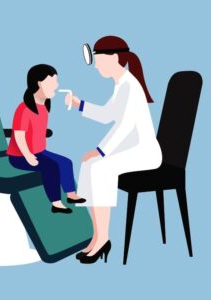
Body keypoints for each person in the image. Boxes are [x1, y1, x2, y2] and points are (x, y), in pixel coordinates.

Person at [64, 36, 162, 263]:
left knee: (100, 167)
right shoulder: (121, 85)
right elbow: (108, 114)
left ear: (114, 58)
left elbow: (125, 126)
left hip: (145, 153)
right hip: (131, 149)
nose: (95, 65)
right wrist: (79, 104)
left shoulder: (129, 85)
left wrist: (100, 151)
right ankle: (97, 234)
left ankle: (104, 238)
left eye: (98, 59)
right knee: (89, 164)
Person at [7, 64, 86, 214]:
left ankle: (71, 194)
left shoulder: (44, 107)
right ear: (39, 82)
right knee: (50, 167)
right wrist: (28, 156)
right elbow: (19, 135)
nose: (56, 86)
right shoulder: (23, 108)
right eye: (52, 82)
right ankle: (56, 203)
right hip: (19, 156)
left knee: (65, 162)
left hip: (40, 152)